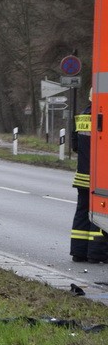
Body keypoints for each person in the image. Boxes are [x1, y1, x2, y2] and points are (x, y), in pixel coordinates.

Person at [70, 94, 108, 263]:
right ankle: (97, 254)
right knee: (100, 214)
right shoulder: (104, 116)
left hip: (82, 176)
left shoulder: (82, 116)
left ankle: (78, 252)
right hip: (100, 177)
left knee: (82, 213)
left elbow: (75, 146)